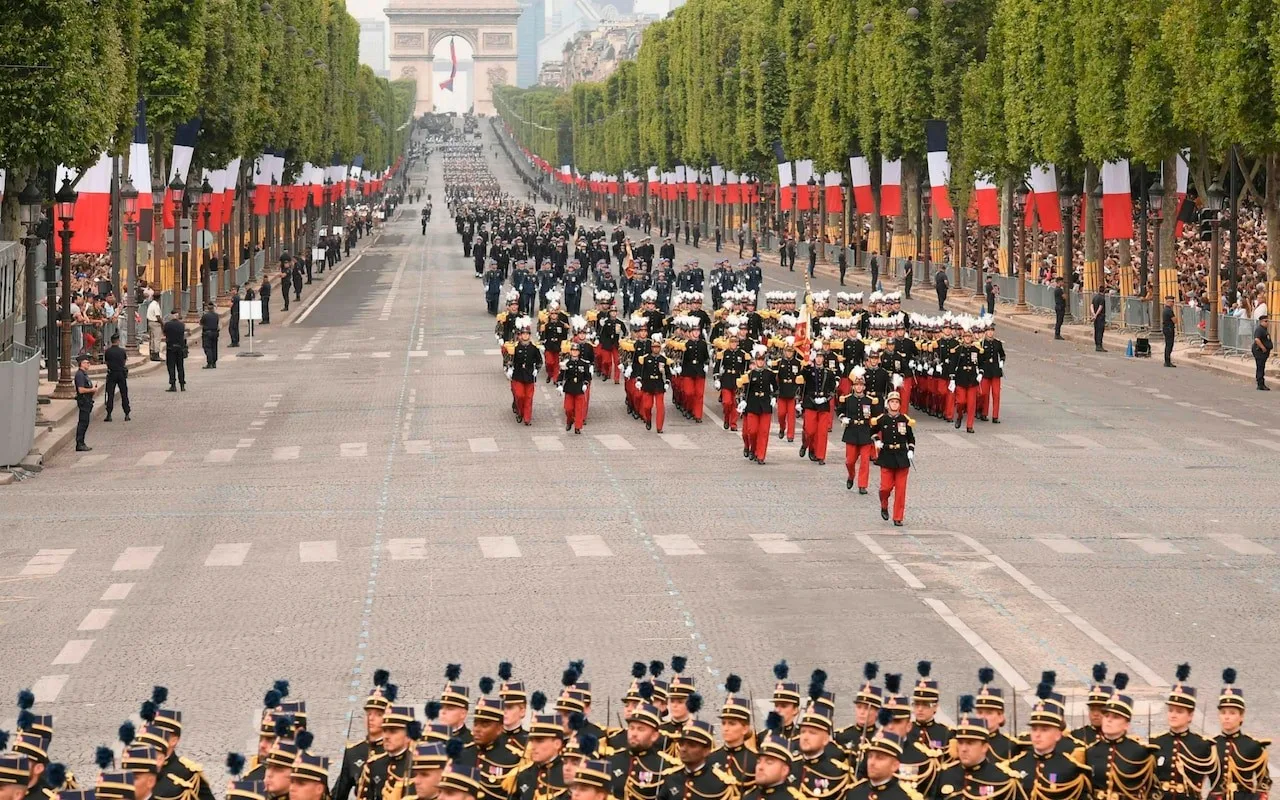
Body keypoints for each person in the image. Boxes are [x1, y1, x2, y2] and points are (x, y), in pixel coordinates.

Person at [871, 391, 914, 526]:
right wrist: (877, 440)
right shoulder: (882, 419)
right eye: (892, 402)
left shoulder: (905, 420)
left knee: (901, 491)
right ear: (887, 404)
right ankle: (884, 504)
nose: (894, 404)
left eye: (896, 402)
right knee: (885, 488)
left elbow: (911, 438)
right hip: (887, 456)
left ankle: (898, 517)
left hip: (901, 457)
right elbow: (872, 431)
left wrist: (911, 450)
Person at [839, 369, 875, 493]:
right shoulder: (848, 399)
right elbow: (840, 411)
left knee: (865, 461)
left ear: (864, 387)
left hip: (865, 432)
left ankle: (862, 485)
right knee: (849, 461)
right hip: (851, 432)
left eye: (861, 385)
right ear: (853, 387)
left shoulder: (869, 400)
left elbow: (875, 417)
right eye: (856, 385)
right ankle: (851, 475)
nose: (859, 387)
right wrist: (843, 418)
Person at [558, 341, 592, 434]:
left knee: (579, 409)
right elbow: (561, 376)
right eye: (573, 350)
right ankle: (570, 420)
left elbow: (587, 376)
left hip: (579, 388)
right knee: (568, 408)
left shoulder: (584, 364)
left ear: (579, 352)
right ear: (570, 351)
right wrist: (559, 385)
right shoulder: (566, 363)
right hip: (569, 388)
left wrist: (585, 384)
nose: (575, 352)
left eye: (576, 351)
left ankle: (578, 427)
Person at [103, 333, 131, 422]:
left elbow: (106, 362)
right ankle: (127, 413)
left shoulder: (108, 351)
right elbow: (124, 361)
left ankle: (109, 414)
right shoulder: (122, 351)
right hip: (121, 373)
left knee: (110, 394)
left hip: (112, 373)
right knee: (124, 394)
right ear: (118, 341)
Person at [73, 355, 95, 452]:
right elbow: (81, 390)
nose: (89, 364)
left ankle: (81, 442)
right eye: (87, 362)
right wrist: (91, 390)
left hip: (87, 400)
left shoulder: (84, 374)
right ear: (81, 363)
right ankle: (80, 443)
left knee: (85, 422)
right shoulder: (80, 375)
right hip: (83, 400)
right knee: (83, 422)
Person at [163, 310, 187, 392]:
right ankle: (182, 385)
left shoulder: (167, 325)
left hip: (171, 348)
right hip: (180, 347)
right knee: (180, 366)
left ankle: (173, 384)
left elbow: (165, 333)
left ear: (171, 316)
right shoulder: (182, 325)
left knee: (171, 367)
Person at [1252, 312, 1272, 390]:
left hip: (1263, 352)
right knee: (1260, 367)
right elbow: (1257, 339)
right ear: (1261, 321)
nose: (1267, 323)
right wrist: (1263, 347)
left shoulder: (1264, 329)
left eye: (1268, 321)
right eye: (1265, 321)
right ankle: (1260, 384)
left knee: (1261, 367)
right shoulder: (1259, 329)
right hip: (1259, 351)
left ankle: (1261, 383)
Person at [200, 302, 220, 369]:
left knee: (207, 348)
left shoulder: (205, 316)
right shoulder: (216, 315)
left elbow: (201, 323)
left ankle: (210, 362)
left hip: (207, 333)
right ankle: (214, 362)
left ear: (207, 308)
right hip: (215, 333)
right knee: (214, 347)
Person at [1162, 295, 1177, 367]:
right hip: (1169, 329)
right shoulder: (1169, 310)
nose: (1173, 303)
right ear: (1169, 302)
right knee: (1169, 345)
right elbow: (1175, 320)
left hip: (1167, 328)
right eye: (1172, 302)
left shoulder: (1165, 309)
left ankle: (1167, 361)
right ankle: (1167, 361)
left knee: (1168, 345)